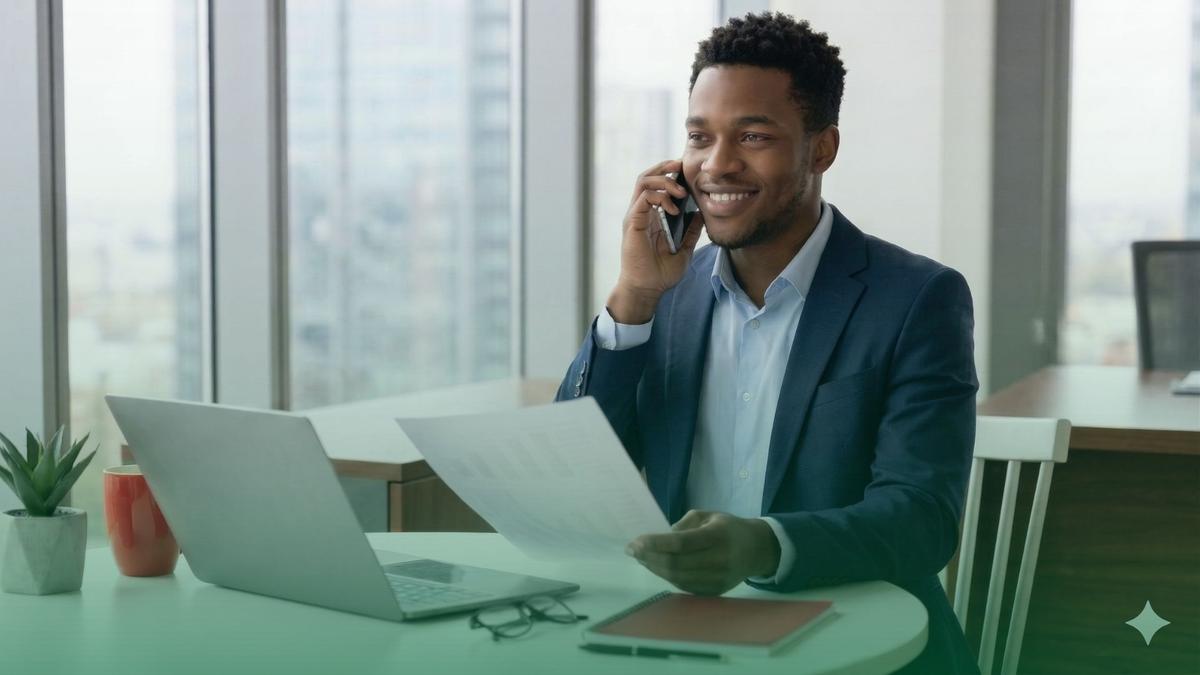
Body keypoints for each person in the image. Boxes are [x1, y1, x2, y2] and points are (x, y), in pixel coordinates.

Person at [556, 12, 979, 674]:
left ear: (821, 149)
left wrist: (765, 544)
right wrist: (634, 297)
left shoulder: (916, 298)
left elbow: (921, 518)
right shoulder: (665, 293)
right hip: (681, 638)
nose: (717, 164)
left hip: (860, 641)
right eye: (700, 137)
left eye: (753, 136)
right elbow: (573, 472)